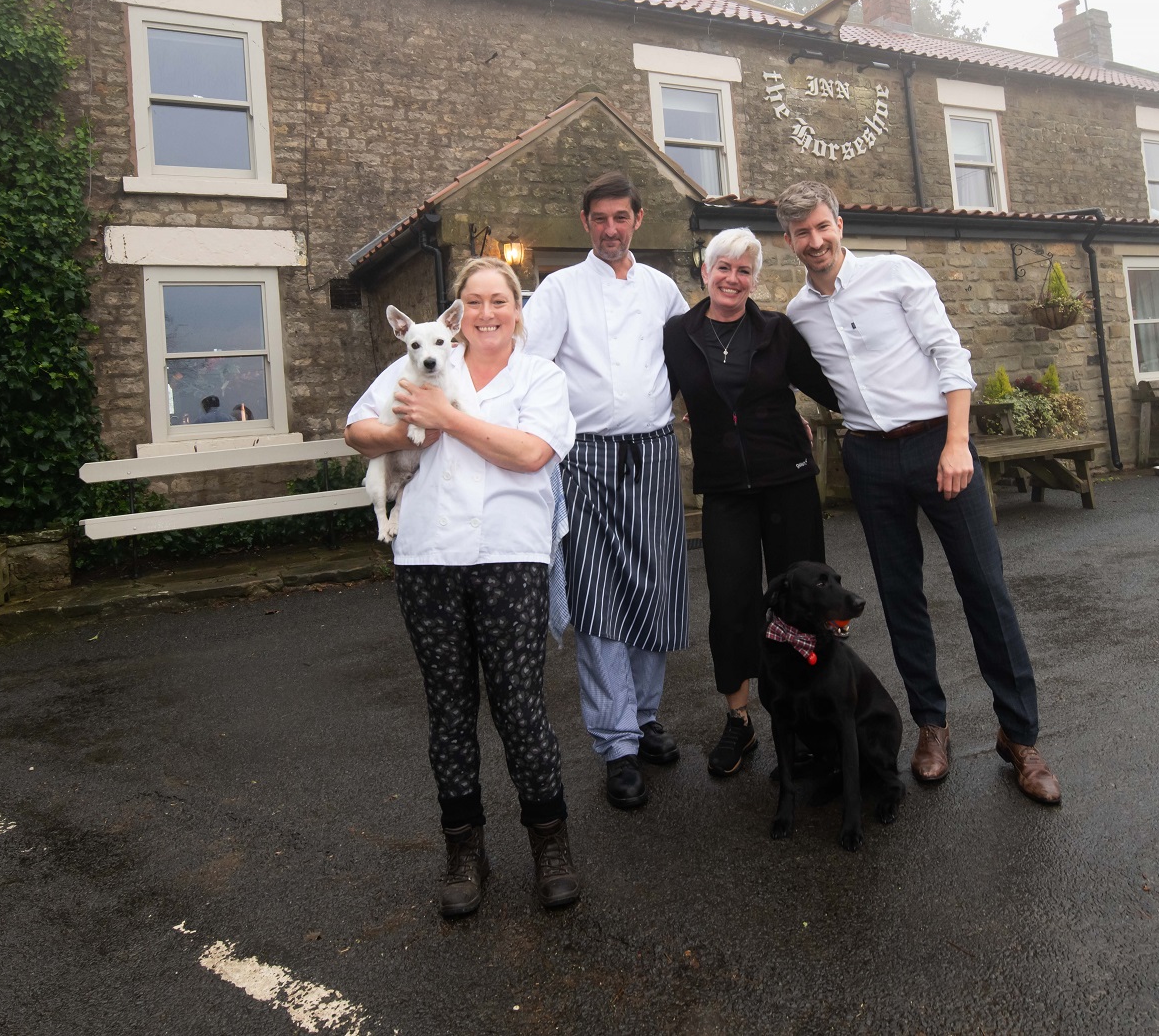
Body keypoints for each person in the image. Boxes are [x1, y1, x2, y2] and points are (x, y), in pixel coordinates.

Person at [776, 180, 1063, 805]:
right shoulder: (798, 313)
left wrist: (958, 441)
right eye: (802, 233)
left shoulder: (897, 275)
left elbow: (950, 355)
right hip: (869, 456)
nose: (815, 240)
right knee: (900, 596)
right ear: (790, 240)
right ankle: (931, 726)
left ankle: (1020, 737)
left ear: (839, 224)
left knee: (985, 589)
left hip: (939, 442)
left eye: (822, 226)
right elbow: (799, 376)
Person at [346, 256, 581, 917]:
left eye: (498, 301)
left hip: (511, 554)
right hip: (427, 556)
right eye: (473, 301)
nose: (485, 313)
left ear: (515, 310)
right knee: (449, 708)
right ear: (457, 312)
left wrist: (443, 418)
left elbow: (531, 452)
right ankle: (464, 850)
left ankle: (550, 843)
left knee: (520, 705)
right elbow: (357, 431)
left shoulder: (540, 376)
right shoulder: (417, 363)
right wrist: (405, 426)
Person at [522, 172, 691, 811]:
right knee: (598, 600)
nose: (611, 228)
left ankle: (645, 718)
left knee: (653, 589)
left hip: (651, 454)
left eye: (621, 217)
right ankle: (616, 743)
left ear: (637, 220)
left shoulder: (663, 289)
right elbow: (527, 368)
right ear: (585, 222)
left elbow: (692, 356)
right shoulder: (560, 289)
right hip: (583, 458)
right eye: (599, 218)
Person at [661, 226, 840, 776]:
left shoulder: (778, 331)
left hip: (787, 480)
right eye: (724, 268)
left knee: (801, 601)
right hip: (724, 491)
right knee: (733, 604)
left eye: (744, 271)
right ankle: (739, 722)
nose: (732, 278)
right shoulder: (677, 334)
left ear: (754, 280)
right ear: (705, 272)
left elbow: (831, 386)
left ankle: (808, 716)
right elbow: (648, 394)